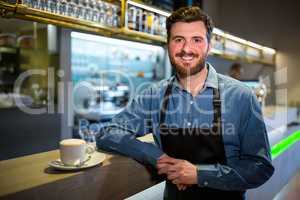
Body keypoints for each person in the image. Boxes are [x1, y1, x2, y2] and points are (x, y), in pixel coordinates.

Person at [96, 6, 274, 200]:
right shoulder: (153, 96)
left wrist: (199, 175)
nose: (186, 49)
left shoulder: (241, 96)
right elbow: (108, 133)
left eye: (196, 40)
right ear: (168, 45)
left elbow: (260, 167)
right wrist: (157, 157)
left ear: (209, 45)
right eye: (178, 40)